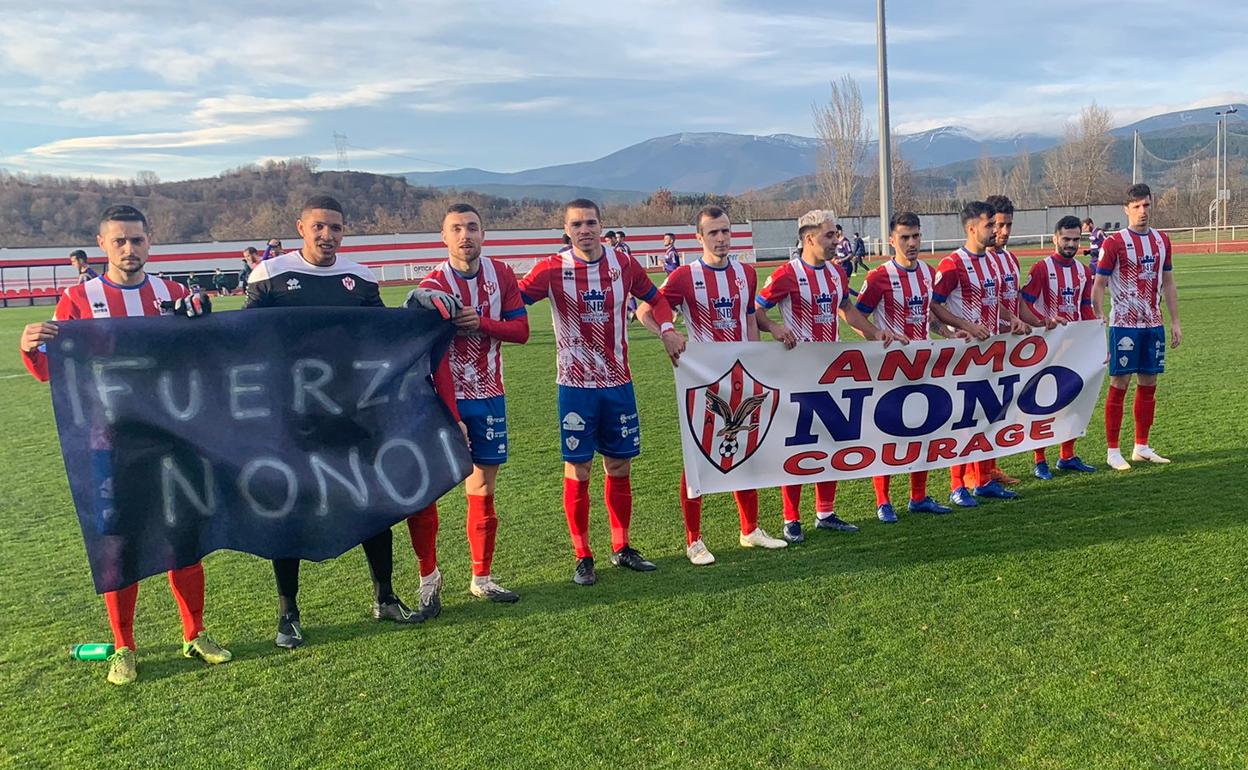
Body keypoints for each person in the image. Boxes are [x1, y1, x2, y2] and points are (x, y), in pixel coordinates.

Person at [19, 205, 229, 685]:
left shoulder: (174, 295)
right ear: (102, 244)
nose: (129, 249)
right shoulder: (77, 299)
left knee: (184, 538)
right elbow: (52, 370)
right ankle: (123, 646)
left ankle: (195, 633)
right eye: (119, 241)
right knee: (118, 543)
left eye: (136, 239)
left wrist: (204, 317)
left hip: (174, 438)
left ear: (149, 240)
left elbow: (206, 354)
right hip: (109, 442)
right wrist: (30, 346)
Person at [245, 195, 462, 647]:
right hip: (293, 414)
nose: (328, 235)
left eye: (336, 228)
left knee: (372, 499)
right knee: (291, 505)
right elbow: (244, 340)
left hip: (354, 409)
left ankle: (385, 596)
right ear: (301, 227)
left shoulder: (359, 277)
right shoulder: (270, 274)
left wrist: (417, 301)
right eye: (319, 226)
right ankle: (288, 613)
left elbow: (383, 336)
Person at [517, 199, 683, 585]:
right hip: (575, 387)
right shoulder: (551, 269)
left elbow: (657, 300)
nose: (585, 230)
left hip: (618, 383)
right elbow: (511, 300)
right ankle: (583, 556)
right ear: (567, 230)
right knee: (580, 468)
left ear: (601, 225)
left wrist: (667, 329)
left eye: (591, 223)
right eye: (577, 224)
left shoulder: (623, 264)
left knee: (620, 466)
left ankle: (621, 547)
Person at [637, 206, 789, 565]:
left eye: (725, 231)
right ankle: (693, 540)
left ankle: (750, 529)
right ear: (699, 237)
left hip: (741, 377)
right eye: (713, 233)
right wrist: (667, 334)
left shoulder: (745, 273)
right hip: (702, 379)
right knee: (699, 455)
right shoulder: (684, 277)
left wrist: (756, 356)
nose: (721, 238)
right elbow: (645, 311)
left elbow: (749, 318)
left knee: (746, 450)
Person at [755, 209, 905, 543]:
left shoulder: (837, 273)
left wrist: (874, 333)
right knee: (798, 445)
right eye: (829, 235)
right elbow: (757, 310)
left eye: (836, 234)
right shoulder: (787, 274)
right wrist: (774, 327)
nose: (836, 240)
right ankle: (791, 518)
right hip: (797, 372)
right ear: (809, 238)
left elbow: (847, 310)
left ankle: (825, 513)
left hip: (833, 372)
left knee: (831, 440)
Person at [417, 204, 529, 603]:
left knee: (482, 487)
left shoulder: (502, 275)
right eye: (456, 228)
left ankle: (481, 578)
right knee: (426, 491)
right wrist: (452, 414)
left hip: (490, 396)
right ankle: (428, 579)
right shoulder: (433, 285)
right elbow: (434, 357)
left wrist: (480, 323)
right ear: (443, 237)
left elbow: (521, 331)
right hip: (440, 402)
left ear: (483, 234)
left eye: (472, 227)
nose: (465, 235)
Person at [930, 201, 1031, 507]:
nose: (996, 230)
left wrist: (1011, 318)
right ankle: (957, 486)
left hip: (992, 352)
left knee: (990, 417)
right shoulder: (952, 264)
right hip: (965, 355)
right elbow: (933, 304)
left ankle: (984, 480)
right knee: (963, 421)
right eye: (990, 225)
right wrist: (963, 326)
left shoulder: (992, 262)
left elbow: (993, 300)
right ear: (972, 228)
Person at [855, 212, 954, 522]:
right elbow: (857, 318)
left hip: (923, 364)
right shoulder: (879, 277)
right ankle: (883, 501)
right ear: (891, 241)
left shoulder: (927, 272)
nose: (912, 243)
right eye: (905, 237)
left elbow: (929, 317)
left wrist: (949, 333)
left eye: (916, 236)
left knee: (923, 430)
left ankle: (918, 497)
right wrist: (877, 336)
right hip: (891, 368)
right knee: (888, 434)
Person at [1091, 183, 1181, 470]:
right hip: (1124, 325)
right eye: (1137, 206)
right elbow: (1099, 283)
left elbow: (1168, 282)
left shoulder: (1162, 240)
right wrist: (1099, 312)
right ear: (1126, 209)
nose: (1143, 211)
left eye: (1147, 205)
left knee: (1149, 383)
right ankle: (1112, 451)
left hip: (1153, 324)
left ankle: (1141, 446)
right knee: (1120, 383)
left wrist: (1175, 321)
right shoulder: (1114, 243)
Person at [1019, 216, 1100, 479]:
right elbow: (1024, 304)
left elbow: (1085, 308)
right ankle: (1039, 460)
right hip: (1047, 348)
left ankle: (1067, 455)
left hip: (1075, 348)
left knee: (1073, 401)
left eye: (1076, 239)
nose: (1071, 244)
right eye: (1066, 239)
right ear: (1055, 238)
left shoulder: (1083, 272)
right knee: (1043, 404)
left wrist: (1096, 338)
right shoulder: (1041, 269)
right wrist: (1045, 321)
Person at [982, 195, 1023, 487]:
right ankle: (972, 474)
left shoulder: (1011, 259)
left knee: (998, 410)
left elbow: (1015, 303)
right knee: (976, 413)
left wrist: (1040, 322)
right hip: (981, 346)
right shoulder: (975, 260)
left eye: (1008, 224)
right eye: (998, 224)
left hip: (1007, 346)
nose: (1004, 231)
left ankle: (990, 467)